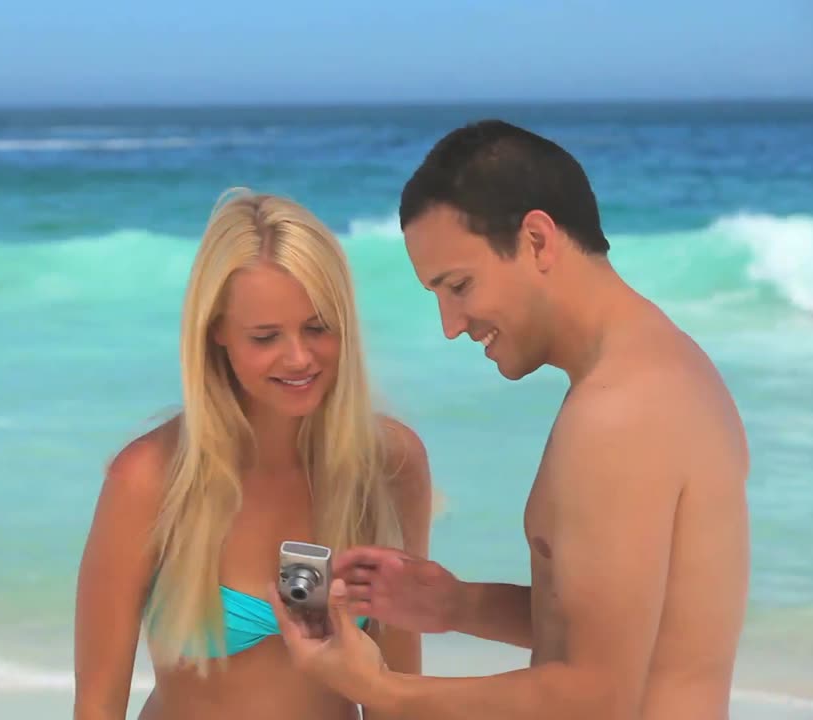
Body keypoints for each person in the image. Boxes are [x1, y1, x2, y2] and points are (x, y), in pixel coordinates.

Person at [268, 119, 752, 719]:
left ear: (537, 240)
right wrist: (458, 607)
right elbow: (639, 634)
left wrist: (380, 688)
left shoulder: (618, 413)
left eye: (459, 285)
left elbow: (597, 696)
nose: (450, 323)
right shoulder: (668, 368)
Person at [73, 188, 435, 720]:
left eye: (318, 327)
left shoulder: (388, 465)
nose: (298, 357)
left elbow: (398, 693)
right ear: (217, 331)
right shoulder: (150, 479)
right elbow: (98, 706)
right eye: (265, 336)